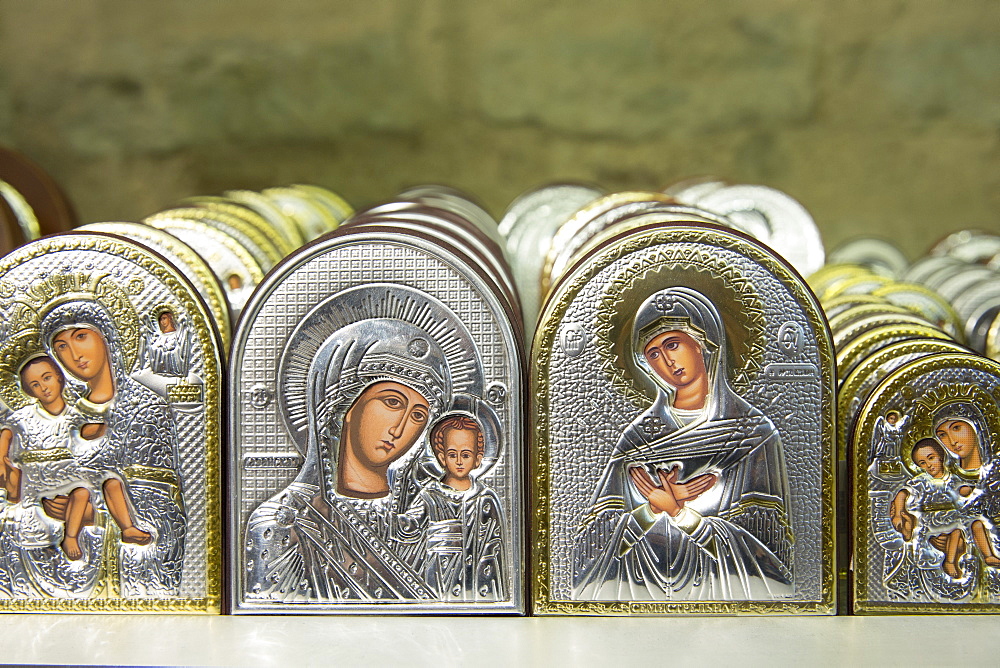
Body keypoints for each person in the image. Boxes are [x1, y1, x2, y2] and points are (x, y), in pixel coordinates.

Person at [573, 287, 793, 601]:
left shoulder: (753, 433)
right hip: (638, 592)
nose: (666, 361)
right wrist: (650, 509)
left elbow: (771, 554)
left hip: (727, 596)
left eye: (673, 344)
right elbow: (592, 550)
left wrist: (680, 514)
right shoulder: (638, 438)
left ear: (703, 343)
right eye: (653, 354)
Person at [245, 318, 453, 602]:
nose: (400, 428)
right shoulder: (282, 521)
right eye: (392, 402)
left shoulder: (426, 520)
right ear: (345, 407)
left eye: (418, 415)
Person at [39, 300, 186, 597]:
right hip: (66, 576)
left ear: (107, 338)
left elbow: (166, 507)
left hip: (127, 572)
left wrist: (92, 515)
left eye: (81, 336)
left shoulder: (145, 408)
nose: (74, 354)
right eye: (61, 347)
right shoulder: (63, 414)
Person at [0, 356, 150, 561]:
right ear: (28, 390)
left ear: (60, 379)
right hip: (40, 478)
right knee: (80, 493)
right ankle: (70, 537)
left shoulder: (75, 413)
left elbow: (89, 430)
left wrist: (113, 423)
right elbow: (8, 433)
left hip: (72, 471)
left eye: (47, 378)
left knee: (112, 482)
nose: (44, 387)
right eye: (35, 384)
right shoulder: (24, 417)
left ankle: (128, 528)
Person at [411, 412, 506, 601]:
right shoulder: (430, 496)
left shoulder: (485, 499)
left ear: (478, 459)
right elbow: (410, 528)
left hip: (479, 580)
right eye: (452, 454)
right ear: (441, 457)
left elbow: (497, 547)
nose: (459, 461)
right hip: (438, 577)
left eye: (466, 454)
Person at [891, 439, 1000, 580]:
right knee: (956, 531)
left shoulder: (953, 478)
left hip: (955, 515)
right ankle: (949, 562)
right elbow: (902, 494)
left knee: (976, 524)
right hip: (932, 519)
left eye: (931, 458)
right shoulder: (921, 481)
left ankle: (988, 556)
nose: (929, 465)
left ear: (941, 456)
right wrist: (898, 512)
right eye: (922, 463)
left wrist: (969, 490)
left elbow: (962, 490)